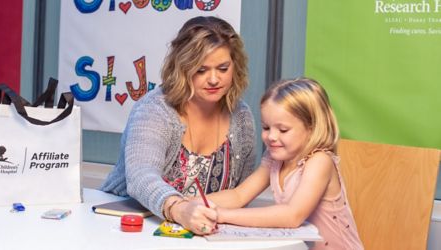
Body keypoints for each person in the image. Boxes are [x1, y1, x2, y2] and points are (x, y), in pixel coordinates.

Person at [100, 16, 256, 235]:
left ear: (235, 66)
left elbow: (242, 194)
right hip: (129, 229)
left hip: (201, 235)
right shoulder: (154, 109)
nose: (214, 79)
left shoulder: (242, 117)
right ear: (182, 68)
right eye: (201, 70)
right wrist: (180, 209)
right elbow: (141, 175)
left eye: (223, 68)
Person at [206, 78, 363, 249]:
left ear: (312, 127)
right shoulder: (274, 159)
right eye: (266, 127)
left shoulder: (320, 161)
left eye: (283, 130)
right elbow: (239, 196)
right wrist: (188, 203)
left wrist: (220, 215)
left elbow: (292, 215)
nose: (271, 136)